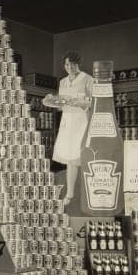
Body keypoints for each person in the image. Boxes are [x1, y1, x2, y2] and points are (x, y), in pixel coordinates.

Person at [44, 51, 93, 204]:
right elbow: (61, 104)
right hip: (67, 122)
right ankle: (70, 194)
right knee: (70, 160)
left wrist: (80, 103)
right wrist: (52, 101)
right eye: (66, 64)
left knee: (83, 156)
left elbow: (93, 102)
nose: (69, 67)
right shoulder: (63, 82)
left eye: (72, 64)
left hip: (81, 121)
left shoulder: (87, 79)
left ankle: (88, 192)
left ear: (78, 64)